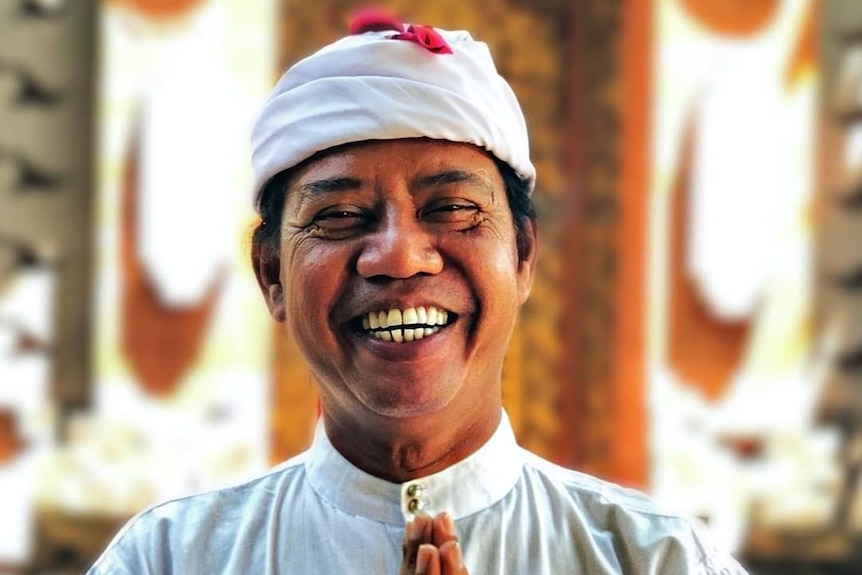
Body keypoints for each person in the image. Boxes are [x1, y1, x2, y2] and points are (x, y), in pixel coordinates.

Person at [87, 11, 750, 575]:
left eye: (452, 208)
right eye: (340, 216)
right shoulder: (169, 557)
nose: (400, 257)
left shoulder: (659, 557)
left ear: (521, 253)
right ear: (271, 275)